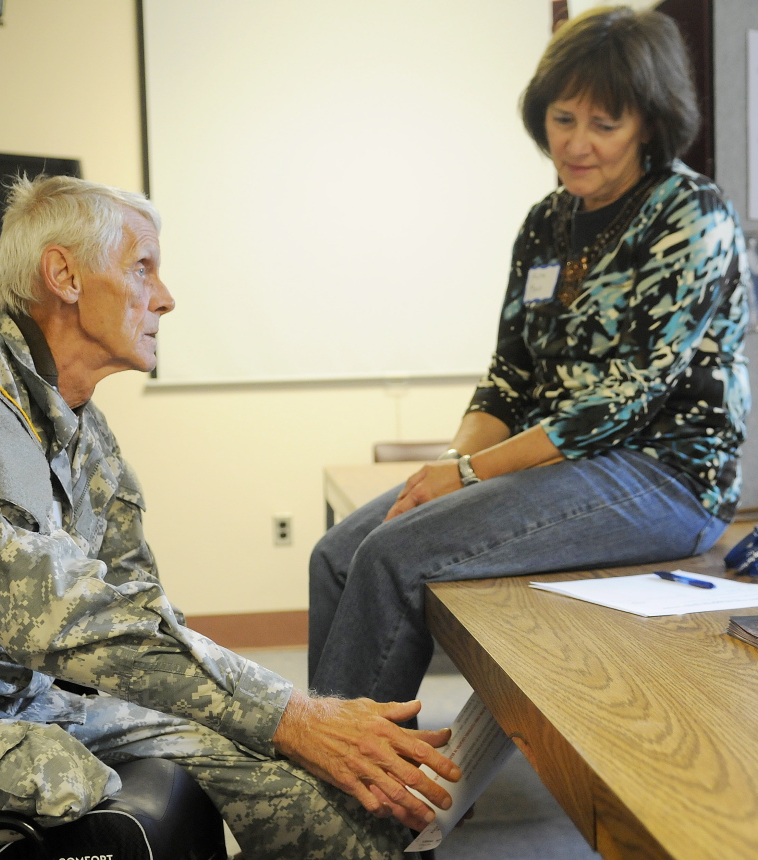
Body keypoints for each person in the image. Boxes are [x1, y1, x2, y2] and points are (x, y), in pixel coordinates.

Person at [0, 174, 461, 860]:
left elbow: (138, 611)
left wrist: (284, 726)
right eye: (143, 267)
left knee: (306, 787)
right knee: (70, 774)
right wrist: (290, 713)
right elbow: (52, 613)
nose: (167, 298)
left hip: (16, 696)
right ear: (64, 275)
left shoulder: (85, 434)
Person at [309, 5, 751, 705]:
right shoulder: (548, 222)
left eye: (605, 125)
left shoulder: (690, 214)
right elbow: (508, 379)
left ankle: (349, 806)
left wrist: (467, 474)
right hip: (558, 466)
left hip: (667, 477)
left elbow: (621, 402)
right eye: (562, 118)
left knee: (394, 555)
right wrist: (453, 470)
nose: (577, 144)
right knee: (337, 556)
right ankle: (340, 765)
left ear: (650, 124)